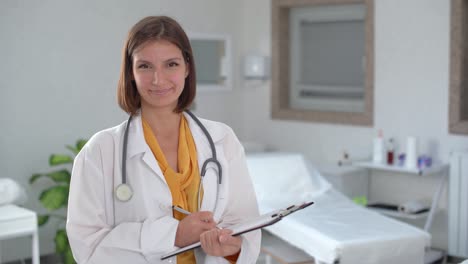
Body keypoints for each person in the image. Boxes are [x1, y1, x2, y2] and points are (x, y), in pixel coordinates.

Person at [66, 16, 260, 264]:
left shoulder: (223, 140)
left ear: (187, 67)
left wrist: (232, 250)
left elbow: (245, 227)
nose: (158, 79)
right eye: (145, 66)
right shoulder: (100, 152)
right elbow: (88, 249)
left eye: (171, 64)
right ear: (131, 72)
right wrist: (173, 235)